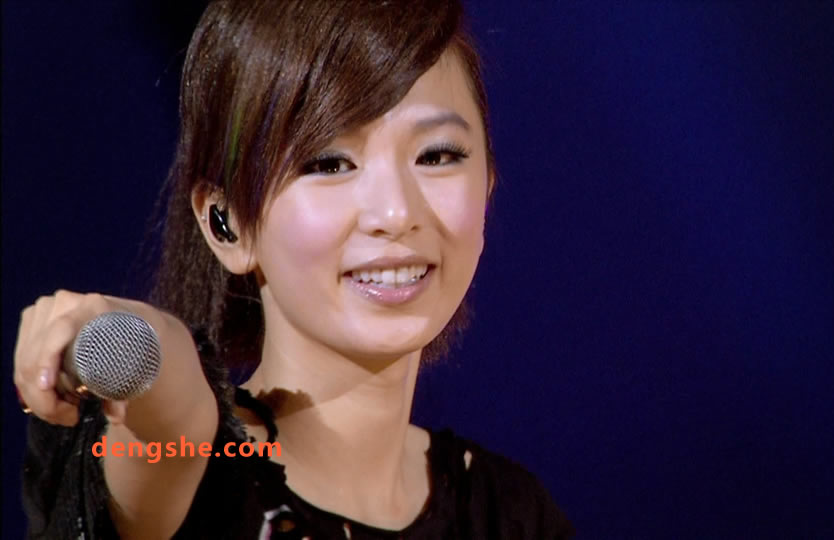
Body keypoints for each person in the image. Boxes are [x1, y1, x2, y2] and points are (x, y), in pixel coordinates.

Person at [13, 1, 575, 538]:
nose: (396, 213)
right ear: (227, 224)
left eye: (437, 155)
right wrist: (117, 335)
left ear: (488, 186)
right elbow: (171, 400)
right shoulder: (195, 464)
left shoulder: (510, 514)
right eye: (329, 163)